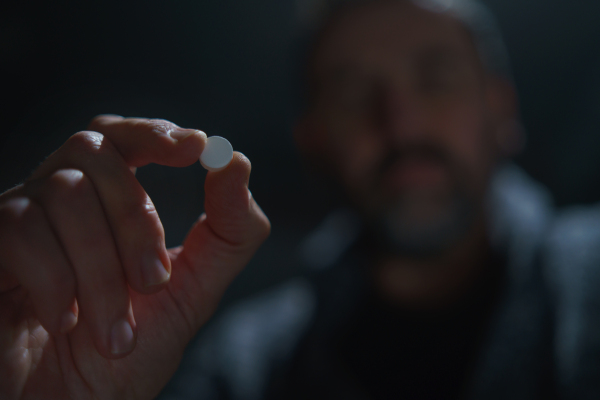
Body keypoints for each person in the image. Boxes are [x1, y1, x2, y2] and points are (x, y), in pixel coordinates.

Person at [1, 1, 598, 400]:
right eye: (351, 90)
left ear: (502, 108)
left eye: (435, 77)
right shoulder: (244, 365)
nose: (400, 121)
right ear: (313, 141)